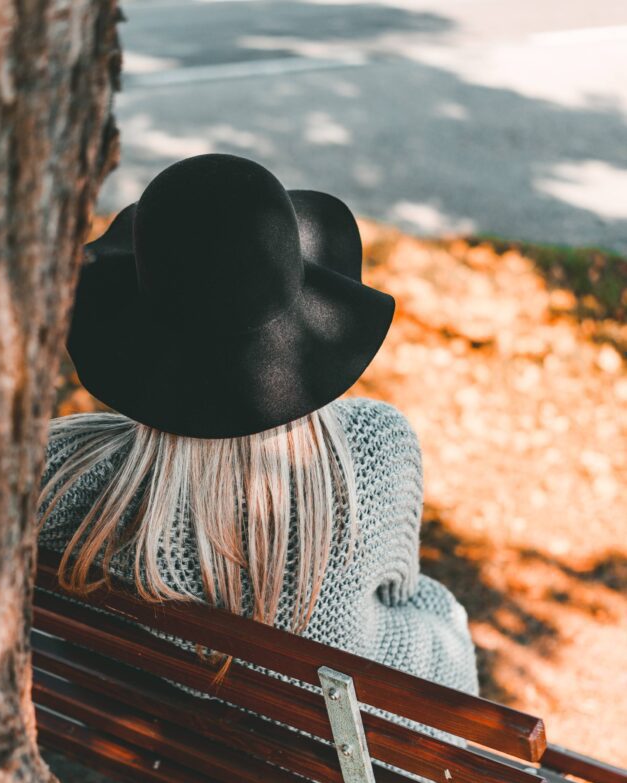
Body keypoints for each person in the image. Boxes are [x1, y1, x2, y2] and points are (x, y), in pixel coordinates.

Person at [38, 154, 478, 737]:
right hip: (336, 774)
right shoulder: (375, 452)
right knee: (440, 612)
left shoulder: (56, 472)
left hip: (168, 751)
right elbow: (400, 592)